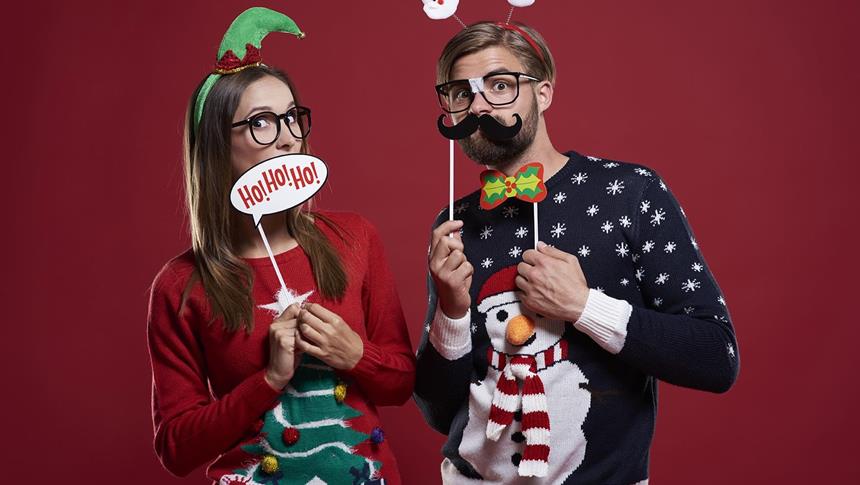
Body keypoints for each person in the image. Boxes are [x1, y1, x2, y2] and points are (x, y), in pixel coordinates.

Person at [414, 21, 739, 484]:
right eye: (462, 94)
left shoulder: (630, 193)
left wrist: (584, 307)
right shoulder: (455, 225)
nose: (479, 105)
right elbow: (439, 410)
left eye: (500, 85)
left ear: (543, 94)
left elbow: (716, 358)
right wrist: (450, 313)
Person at [146, 8, 414, 485]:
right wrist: (268, 379)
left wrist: (355, 355)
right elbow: (176, 449)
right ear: (215, 146)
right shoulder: (180, 285)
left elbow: (401, 381)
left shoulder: (355, 237)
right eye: (262, 123)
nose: (289, 138)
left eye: (292, 118)